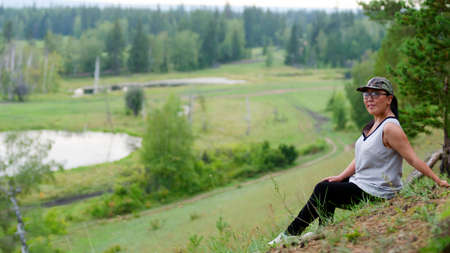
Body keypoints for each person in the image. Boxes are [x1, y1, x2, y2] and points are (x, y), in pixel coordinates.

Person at [268, 77, 450, 246]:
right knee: (328, 185)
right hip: (364, 184)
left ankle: (289, 234)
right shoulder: (373, 126)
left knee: (324, 190)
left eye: (375, 94)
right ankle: (324, 230)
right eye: (366, 94)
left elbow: (412, 158)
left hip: (379, 192)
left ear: (389, 99)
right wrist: (340, 177)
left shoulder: (390, 127)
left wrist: (437, 180)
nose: (369, 99)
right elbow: (361, 159)